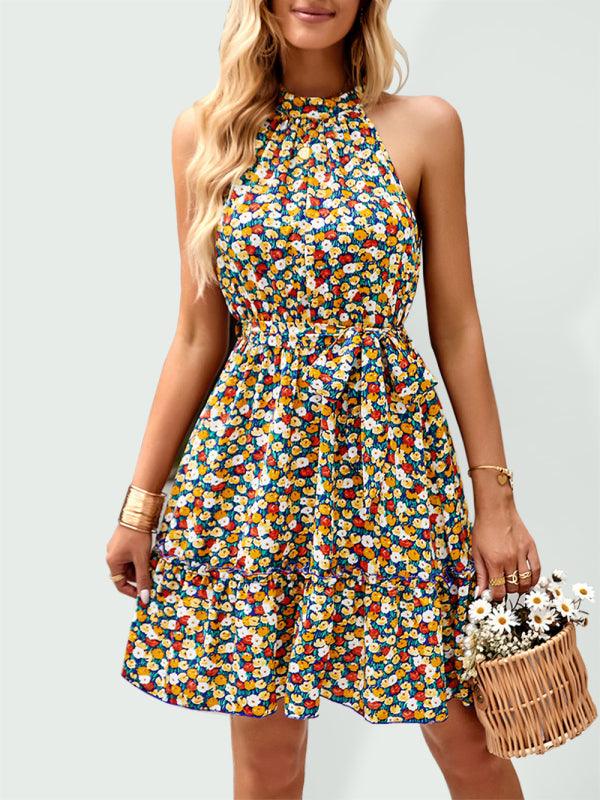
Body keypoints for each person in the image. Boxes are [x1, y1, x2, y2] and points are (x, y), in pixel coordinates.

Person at [106, 1, 541, 797]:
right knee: (269, 761)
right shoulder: (206, 132)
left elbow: (457, 326)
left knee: (468, 739)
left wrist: (496, 500)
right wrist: (141, 505)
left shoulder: (424, 127)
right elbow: (198, 337)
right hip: (254, 473)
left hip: (392, 469)